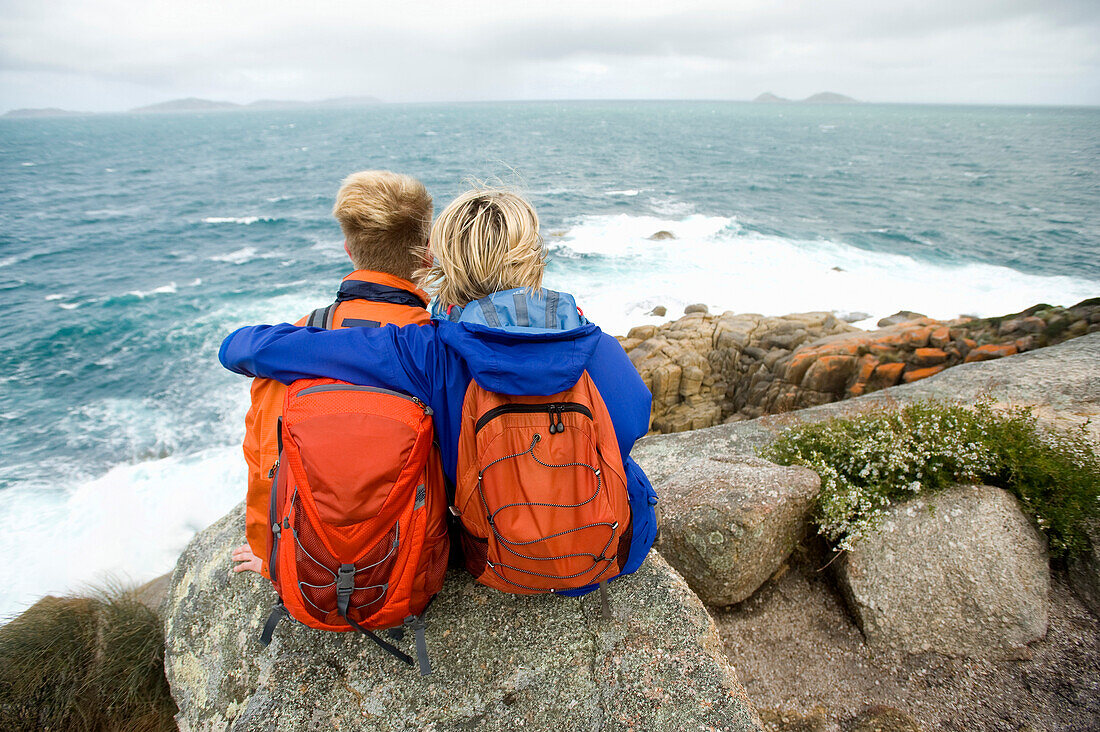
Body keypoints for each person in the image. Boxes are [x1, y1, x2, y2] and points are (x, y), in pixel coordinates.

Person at [221, 188, 658, 590]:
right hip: (613, 553)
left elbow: (273, 350)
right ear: (533, 259)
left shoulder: (425, 351)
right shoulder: (593, 345)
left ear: (442, 265)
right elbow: (635, 416)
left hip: (493, 559)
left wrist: (239, 345)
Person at [232, 170, 435, 575]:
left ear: (348, 248)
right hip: (404, 558)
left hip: (308, 557)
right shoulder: (433, 346)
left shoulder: (289, 349)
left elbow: (266, 459)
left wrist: (269, 552)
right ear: (427, 254)